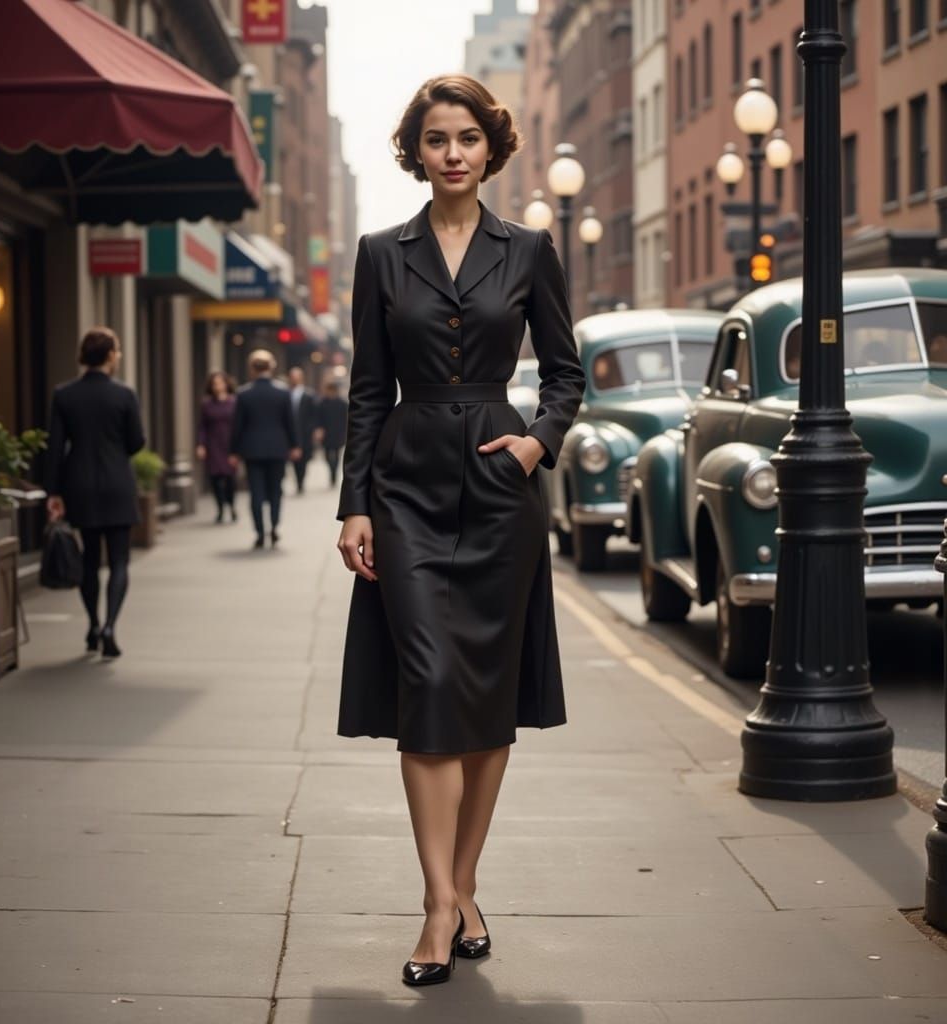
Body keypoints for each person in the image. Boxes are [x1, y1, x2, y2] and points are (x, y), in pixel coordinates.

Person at [334, 74, 585, 987]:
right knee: (430, 680)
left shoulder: (530, 249)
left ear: (491, 148)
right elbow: (368, 389)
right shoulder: (379, 252)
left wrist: (536, 445)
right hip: (404, 487)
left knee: (485, 694)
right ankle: (441, 902)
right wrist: (353, 501)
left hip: (497, 485)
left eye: (467, 138)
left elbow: (565, 373)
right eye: (436, 139)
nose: (452, 153)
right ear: (417, 151)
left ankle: (463, 882)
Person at [45, 327, 146, 658]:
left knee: (90, 559)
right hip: (118, 482)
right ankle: (110, 626)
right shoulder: (124, 395)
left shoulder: (64, 394)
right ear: (110, 355)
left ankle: (91, 624)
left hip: (80, 485)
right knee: (119, 560)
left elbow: (55, 447)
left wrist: (54, 492)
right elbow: (136, 442)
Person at [229, 349, 302, 549]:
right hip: (278, 449)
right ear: (271, 367)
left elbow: (237, 426)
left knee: (256, 493)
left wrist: (233, 451)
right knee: (276, 490)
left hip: (252, 450)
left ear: (252, 368)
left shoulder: (243, 394)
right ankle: (274, 527)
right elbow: (290, 422)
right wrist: (294, 445)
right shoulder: (283, 392)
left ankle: (260, 532)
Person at [196, 370, 238, 523]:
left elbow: (238, 426)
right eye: (214, 384)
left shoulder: (234, 402)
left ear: (226, 384)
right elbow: (202, 426)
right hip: (213, 445)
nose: (217, 386)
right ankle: (220, 508)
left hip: (229, 444)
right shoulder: (207, 404)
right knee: (215, 479)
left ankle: (231, 505)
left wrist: (238, 448)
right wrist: (201, 445)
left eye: (220, 383)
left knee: (230, 478)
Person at [287, 366, 320, 494]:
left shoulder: (309, 395)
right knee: (294, 460)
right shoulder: (286, 394)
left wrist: (316, 429)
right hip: (291, 431)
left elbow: (314, 414)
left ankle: (301, 481)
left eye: (296, 376)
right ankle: (297, 479)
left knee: (304, 459)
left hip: (305, 432)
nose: (294, 379)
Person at [316, 380, 348, 487]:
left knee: (337, 455)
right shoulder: (322, 403)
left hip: (338, 434)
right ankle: (332, 470)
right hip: (326, 433)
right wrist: (319, 429)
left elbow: (346, 419)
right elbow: (318, 418)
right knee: (327, 456)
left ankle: (334, 474)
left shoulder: (342, 403)